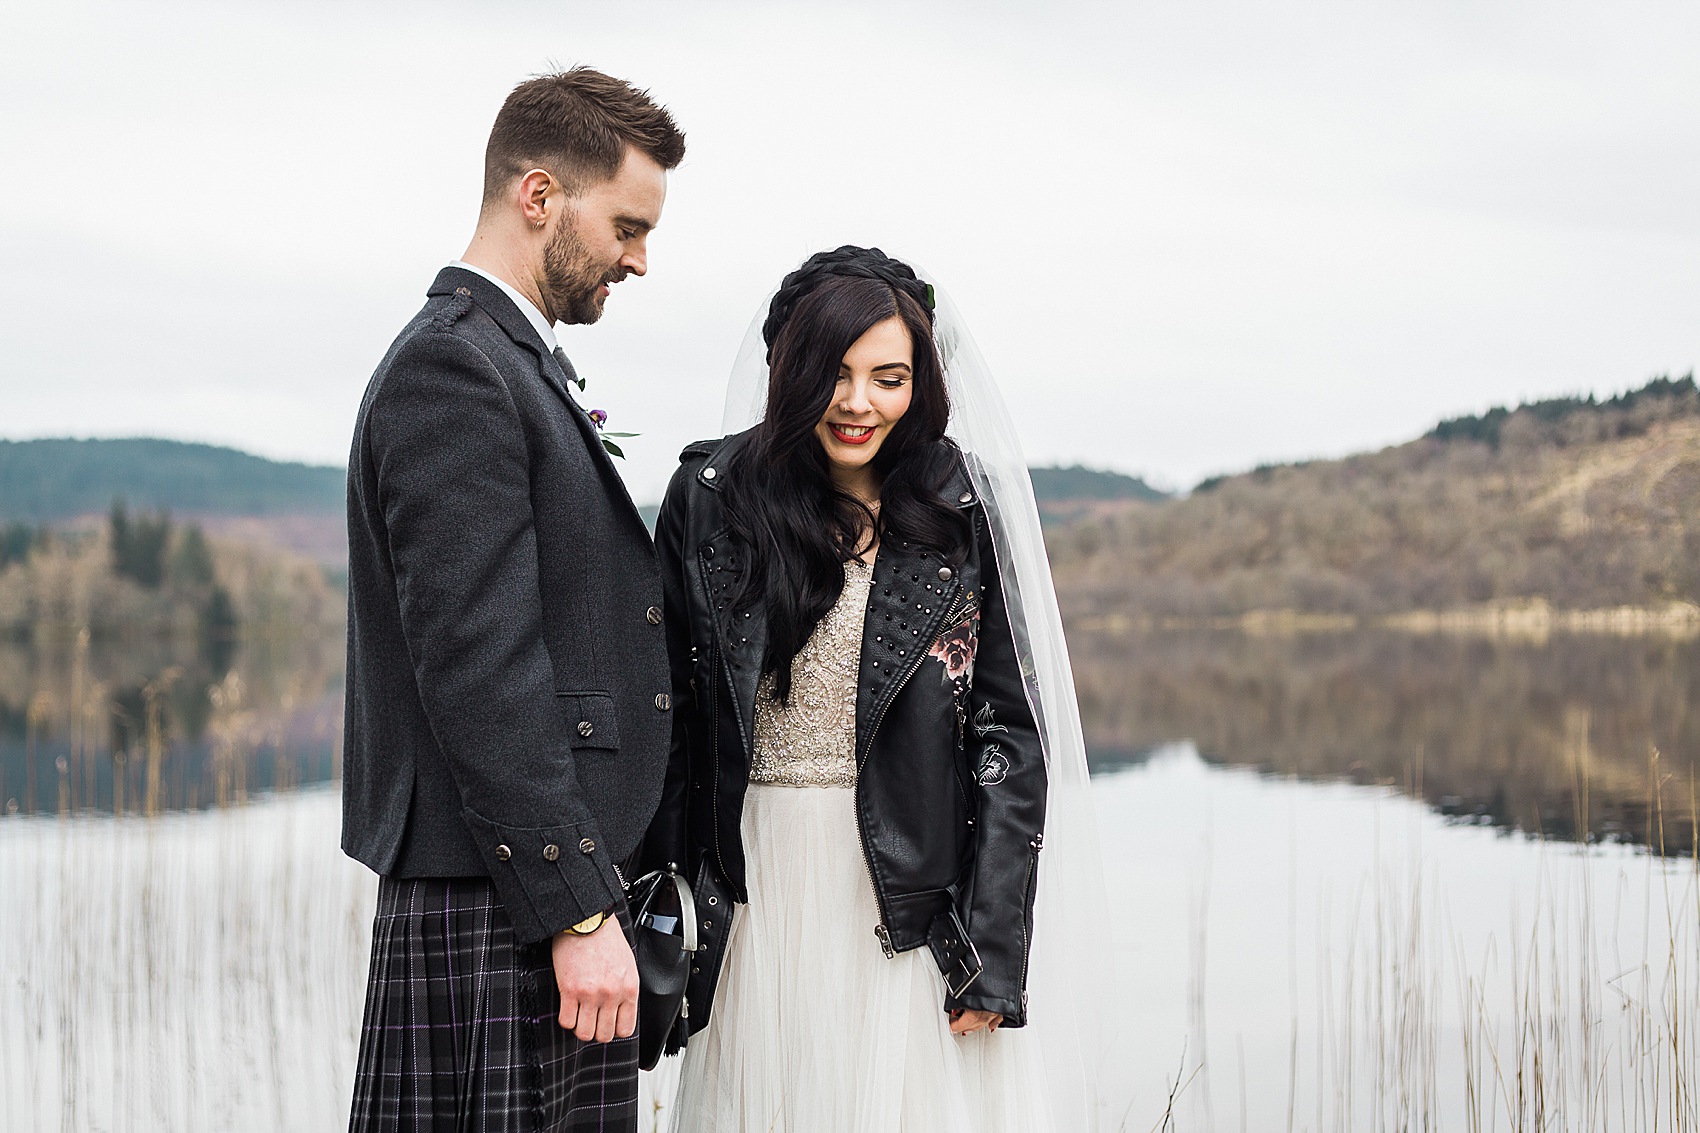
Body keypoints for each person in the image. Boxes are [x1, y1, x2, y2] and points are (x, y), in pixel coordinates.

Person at [644, 247, 1081, 1131]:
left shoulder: (958, 511)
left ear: (921, 381)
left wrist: (991, 953)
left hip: (903, 901)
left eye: (889, 377)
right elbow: (675, 719)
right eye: (835, 375)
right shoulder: (711, 498)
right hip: (754, 886)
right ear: (792, 373)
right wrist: (650, 909)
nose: (858, 403)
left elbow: (1007, 735)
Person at [341, 69, 685, 1133]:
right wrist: (578, 906)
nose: (638, 257)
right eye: (626, 224)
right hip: (505, 895)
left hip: (520, 889)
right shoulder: (452, 371)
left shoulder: (502, 361)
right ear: (539, 196)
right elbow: (482, 667)